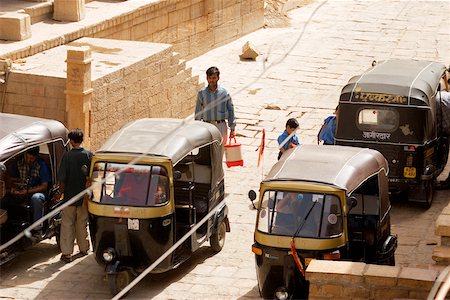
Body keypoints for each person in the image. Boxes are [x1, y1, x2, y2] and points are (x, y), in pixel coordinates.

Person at [57, 129, 92, 263]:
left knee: (67, 224)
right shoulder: (89, 155)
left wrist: (60, 193)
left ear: (71, 141)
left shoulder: (67, 156)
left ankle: (67, 253)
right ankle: (83, 248)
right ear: (82, 140)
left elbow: (62, 179)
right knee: (82, 223)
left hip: (69, 197)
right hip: (84, 198)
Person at [8, 146, 50, 235]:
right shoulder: (18, 162)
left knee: (36, 198)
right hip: (21, 191)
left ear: (36, 157)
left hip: (36, 191)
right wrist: (13, 188)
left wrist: (27, 192)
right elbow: (11, 179)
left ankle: (37, 228)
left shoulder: (41, 165)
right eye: (27, 157)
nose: (29, 160)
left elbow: (44, 186)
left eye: (32, 159)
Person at [194, 66, 236, 145]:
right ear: (207, 78)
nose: (211, 80)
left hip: (221, 126)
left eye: (214, 78)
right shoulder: (201, 93)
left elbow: (231, 109)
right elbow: (198, 112)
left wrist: (232, 128)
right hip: (207, 127)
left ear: (218, 78)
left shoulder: (224, 93)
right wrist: (197, 129)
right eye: (209, 78)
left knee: (221, 150)